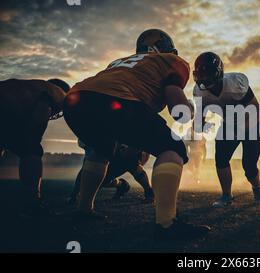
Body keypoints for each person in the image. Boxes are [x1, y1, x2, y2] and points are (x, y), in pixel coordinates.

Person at [63, 29, 210, 240]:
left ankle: (83, 209)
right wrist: (190, 109)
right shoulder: (170, 61)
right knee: (173, 148)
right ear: (167, 49)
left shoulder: (120, 61)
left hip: (76, 100)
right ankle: (166, 224)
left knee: (100, 150)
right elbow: (179, 112)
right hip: (116, 100)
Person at [193, 52, 260, 208]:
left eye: (208, 75)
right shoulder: (199, 92)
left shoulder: (235, 84)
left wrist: (242, 130)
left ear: (219, 73)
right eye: (201, 75)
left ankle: (257, 188)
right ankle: (226, 195)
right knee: (221, 159)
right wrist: (201, 125)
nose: (204, 80)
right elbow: (199, 120)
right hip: (229, 124)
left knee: (249, 166)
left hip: (251, 123)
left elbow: (255, 110)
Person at [0, 78, 70, 217]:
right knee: (32, 150)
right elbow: (41, 113)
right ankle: (33, 202)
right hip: (6, 108)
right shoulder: (57, 93)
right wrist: (34, 140)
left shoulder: (31, 86)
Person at [67, 140, 154, 204]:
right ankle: (121, 185)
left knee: (131, 160)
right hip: (107, 150)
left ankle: (149, 192)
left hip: (125, 150)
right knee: (99, 179)